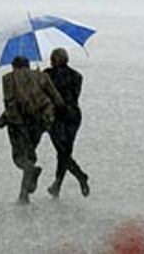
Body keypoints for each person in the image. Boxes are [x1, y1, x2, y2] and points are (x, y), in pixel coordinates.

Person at [0, 55, 65, 204]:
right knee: (30, 154)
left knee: (20, 157)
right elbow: (57, 99)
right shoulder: (42, 76)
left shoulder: (8, 78)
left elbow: (10, 102)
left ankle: (30, 175)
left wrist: (3, 120)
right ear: (28, 64)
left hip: (18, 123)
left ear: (13, 66)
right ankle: (23, 195)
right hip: (38, 122)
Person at [43, 48, 90, 198]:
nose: (50, 61)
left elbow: (47, 95)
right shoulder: (77, 76)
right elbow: (74, 95)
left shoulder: (48, 75)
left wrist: (39, 76)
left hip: (57, 116)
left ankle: (79, 176)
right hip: (74, 115)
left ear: (54, 60)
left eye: (52, 58)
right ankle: (58, 185)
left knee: (62, 152)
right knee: (65, 152)